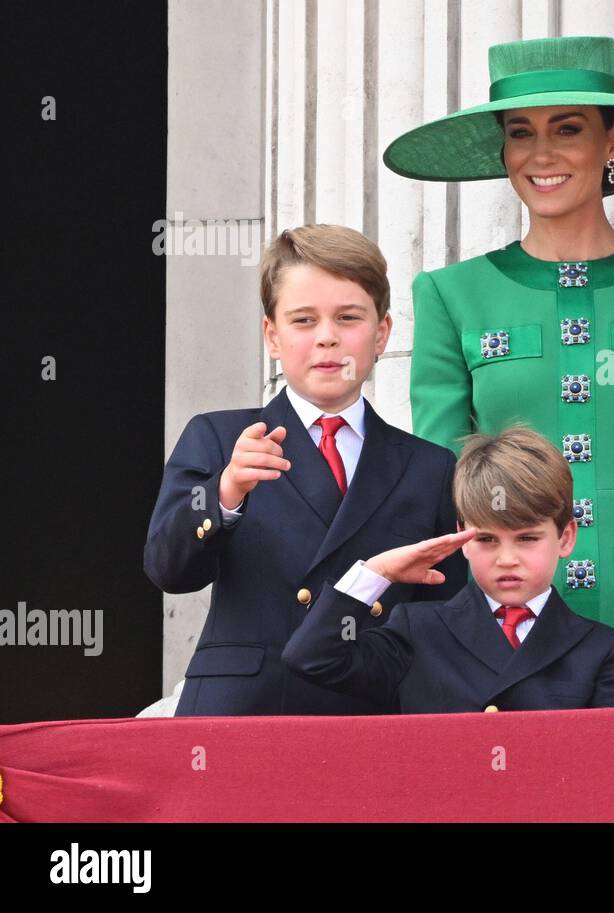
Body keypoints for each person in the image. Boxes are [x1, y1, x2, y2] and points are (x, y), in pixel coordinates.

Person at [386, 36, 614, 705]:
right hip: (506, 635)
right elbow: (442, 485)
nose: (541, 155)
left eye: (567, 130)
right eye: (522, 134)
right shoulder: (450, 294)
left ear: (613, 142)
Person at [143, 225, 468, 716]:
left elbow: (447, 612)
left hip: (371, 711)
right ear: (272, 335)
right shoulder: (218, 436)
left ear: (382, 333)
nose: (327, 338)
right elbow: (168, 569)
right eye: (303, 320)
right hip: (244, 709)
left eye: (348, 317)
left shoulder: (430, 465)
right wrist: (226, 492)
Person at [283, 427, 614, 712]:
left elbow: (607, 762)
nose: (507, 558)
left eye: (527, 538)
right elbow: (313, 657)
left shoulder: (601, 649)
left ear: (566, 537)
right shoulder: (418, 631)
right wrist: (378, 572)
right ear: (461, 537)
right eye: (486, 539)